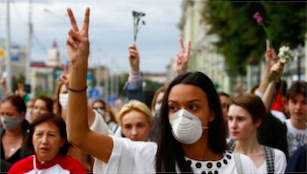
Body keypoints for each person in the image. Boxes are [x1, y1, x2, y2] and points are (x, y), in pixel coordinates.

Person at [65, 7, 257, 174]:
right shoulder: (145, 157)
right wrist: (80, 65)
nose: (182, 115)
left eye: (193, 106)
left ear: (212, 112)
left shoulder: (241, 166)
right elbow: (78, 136)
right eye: (173, 107)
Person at [257, 61, 307, 160]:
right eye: (294, 102)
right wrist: (273, 81)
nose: (298, 107)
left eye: (304, 102)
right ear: (287, 104)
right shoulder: (279, 128)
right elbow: (262, 112)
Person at [228, 94, 287, 174]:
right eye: (230, 118)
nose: (233, 125)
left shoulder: (276, 158)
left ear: (257, 122)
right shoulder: (220, 153)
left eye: (240, 119)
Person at [8, 113, 86, 173]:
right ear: (32, 139)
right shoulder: (19, 168)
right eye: (39, 134)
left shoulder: (74, 169)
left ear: (62, 141)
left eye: (51, 135)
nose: (44, 141)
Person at [0, 95, 34, 167]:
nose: (4, 119)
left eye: (9, 114)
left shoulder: (31, 141)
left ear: (22, 115)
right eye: (2, 114)